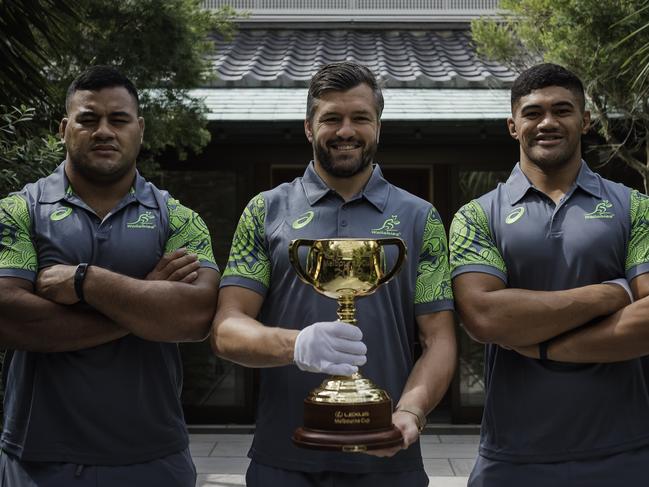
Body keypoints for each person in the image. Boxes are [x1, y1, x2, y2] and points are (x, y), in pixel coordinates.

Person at [210, 61, 456, 486]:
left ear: (378, 126)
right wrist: (297, 344)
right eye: (331, 118)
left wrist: (410, 411)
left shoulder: (421, 218)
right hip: (283, 458)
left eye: (360, 117)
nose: (346, 130)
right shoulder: (265, 211)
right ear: (309, 127)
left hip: (388, 459)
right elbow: (226, 329)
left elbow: (439, 339)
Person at [0, 66, 220, 486]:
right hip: (39, 459)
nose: (104, 130)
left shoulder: (177, 217)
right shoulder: (18, 211)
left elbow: (195, 317)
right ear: (65, 128)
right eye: (88, 119)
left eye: (118, 120)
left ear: (139, 129)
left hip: (152, 458)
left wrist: (85, 282)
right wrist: (146, 302)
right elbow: (7, 317)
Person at [449, 63, 649, 487]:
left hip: (626, 452)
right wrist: (610, 294)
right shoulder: (477, 216)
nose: (548, 122)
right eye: (533, 112)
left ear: (585, 120)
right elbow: (485, 317)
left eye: (563, 110)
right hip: (512, 459)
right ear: (512, 125)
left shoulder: (635, 208)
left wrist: (542, 347)